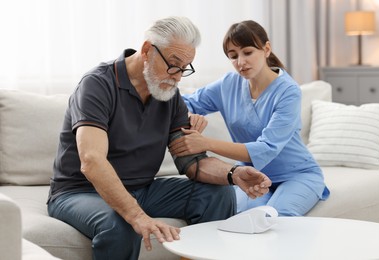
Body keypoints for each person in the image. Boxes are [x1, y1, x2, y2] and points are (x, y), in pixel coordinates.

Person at [47, 16, 271, 260]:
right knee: (120, 222)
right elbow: (91, 160)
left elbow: (192, 161)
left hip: (142, 188)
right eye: (173, 64)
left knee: (217, 193)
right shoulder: (98, 85)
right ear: (146, 51)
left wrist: (234, 174)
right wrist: (137, 215)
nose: (177, 76)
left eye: (184, 68)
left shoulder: (169, 94)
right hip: (80, 192)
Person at [169, 20, 330, 216]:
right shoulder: (228, 85)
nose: (240, 62)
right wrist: (190, 114)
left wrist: (205, 143)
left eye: (247, 52)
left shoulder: (288, 91)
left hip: (297, 175)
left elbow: (266, 148)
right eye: (233, 56)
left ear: (266, 49)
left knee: (277, 216)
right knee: (243, 217)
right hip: (254, 177)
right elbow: (182, 103)